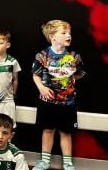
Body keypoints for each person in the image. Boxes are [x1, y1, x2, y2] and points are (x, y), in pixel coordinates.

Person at [32, 20, 85, 170]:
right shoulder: (42, 56)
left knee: (66, 132)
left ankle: (67, 163)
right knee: (48, 130)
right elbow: (35, 75)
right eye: (64, 33)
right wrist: (41, 87)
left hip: (68, 102)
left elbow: (80, 73)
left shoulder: (74, 56)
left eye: (69, 33)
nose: (68, 35)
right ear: (52, 36)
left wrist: (70, 79)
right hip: (47, 102)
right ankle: (45, 161)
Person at [0, 29, 21, 127]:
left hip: (8, 100)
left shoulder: (12, 62)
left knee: (8, 126)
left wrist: (13, 93)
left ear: (8, 45)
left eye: (0, 43)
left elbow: (15, 79)